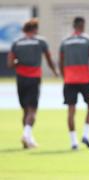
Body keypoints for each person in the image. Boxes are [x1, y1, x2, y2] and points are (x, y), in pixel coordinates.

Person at [7, 18, 58, 149]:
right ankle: (26, 134)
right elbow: (49, 59)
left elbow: (10, 64)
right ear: (35, 29)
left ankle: (28, 139)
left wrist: (19, 62)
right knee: (32, 110)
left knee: (25, 110)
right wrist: (54, 71)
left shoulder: (16, 42)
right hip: (34, 78)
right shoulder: (41, 41)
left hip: (20, 79)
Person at [59, 17, 89, 150]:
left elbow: (61, 62)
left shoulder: (65, 41)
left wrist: (65, 77)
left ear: (73, 26)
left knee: (71, 111)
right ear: (83, 26)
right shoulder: (88, 40)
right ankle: (86, 135)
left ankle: (73, 141)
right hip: (85, 79)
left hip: (69, 80)